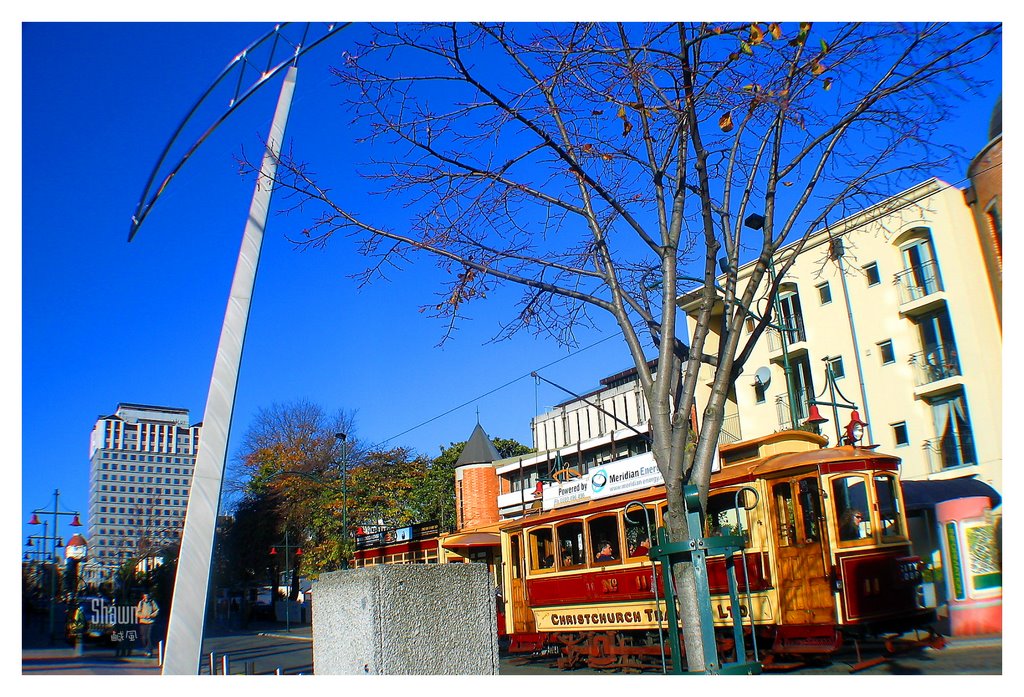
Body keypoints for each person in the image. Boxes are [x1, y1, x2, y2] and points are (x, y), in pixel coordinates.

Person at [136, 592, 160, 657]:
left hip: (151, 622)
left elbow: (157, 610)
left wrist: (151, 615)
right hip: (143, 622)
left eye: (147, 596)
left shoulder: (152, 602)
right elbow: (137, 613)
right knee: (144, 637)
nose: (146, 597)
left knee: (149, 636)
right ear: (143, 596)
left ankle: (149, 651)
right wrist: (143, 616)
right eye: (145, 596)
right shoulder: (141, 603)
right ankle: (146, 649)